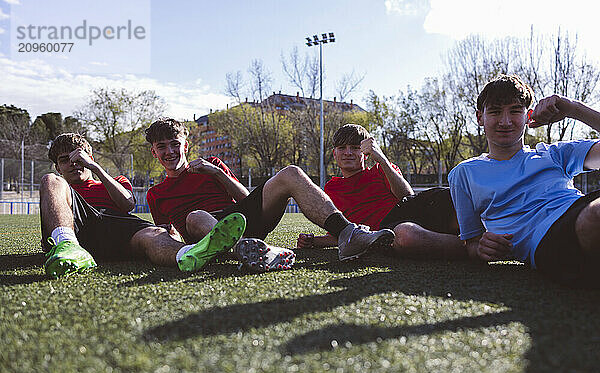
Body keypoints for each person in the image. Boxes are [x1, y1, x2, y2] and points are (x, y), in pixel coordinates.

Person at [144, 119, 395, 272]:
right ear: (154, 153)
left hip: (239, 219)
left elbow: (245, 198)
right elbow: (168, 234)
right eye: (162, 147)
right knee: (196, 217)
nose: (170, 151)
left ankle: (348, 234)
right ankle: (250, 251)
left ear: (185, 145)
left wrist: (217, 174)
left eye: (174, 143)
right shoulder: (155, 194)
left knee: (291, 173)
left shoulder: (211, 165)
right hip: (205, 236)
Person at [448, 74, 600, 288]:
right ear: (479, 117)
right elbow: (472, 244)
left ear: (528, 116)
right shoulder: (463, 174)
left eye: (515, 110)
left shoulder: (554, 154)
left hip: (582, 207)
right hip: (548, 240)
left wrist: (572, 108)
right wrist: (482, 248)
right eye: (495, 111)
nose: (505, 121)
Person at [40, 133, 246, 278]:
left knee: (154, 235)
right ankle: (67, 245)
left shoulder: (115, 181)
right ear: (58, 166)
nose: (74, 163)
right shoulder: (59, 187)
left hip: (118, 227)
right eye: (65, 160)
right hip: (78, 227)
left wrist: (96, 168)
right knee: (50, 180)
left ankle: (191, 254)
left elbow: (127, 204)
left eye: (79, 158)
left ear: (89, 158)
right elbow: (54, 187)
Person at [297, 124, 467, 259]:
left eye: (355, 147)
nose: (348, 152)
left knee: (453, 198)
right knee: (405, 236)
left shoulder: (381, 170)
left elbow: (407, 197)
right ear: (335, 153)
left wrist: (382, 159)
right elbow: (344, 234)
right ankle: (472, 247)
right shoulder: (332, 189)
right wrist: (313, 241)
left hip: (414, 210)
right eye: (342, 147)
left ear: (365, 153)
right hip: (390, 231)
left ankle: (485, 233)